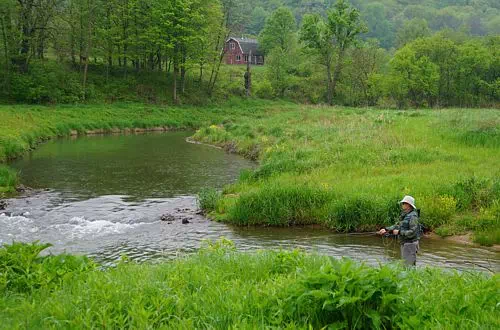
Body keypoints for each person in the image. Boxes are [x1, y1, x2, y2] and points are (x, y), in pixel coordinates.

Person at [378, 195, 421, 266]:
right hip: (404, 243)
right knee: (405, 265)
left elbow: (412, 232)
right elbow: (397, 225)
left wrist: (399, 232)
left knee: (408, 266)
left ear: (408, 205)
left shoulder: (413, 217)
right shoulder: (404, 215)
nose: (402, 205)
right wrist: (386, 229)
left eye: (403, 203)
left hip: (410, 244)